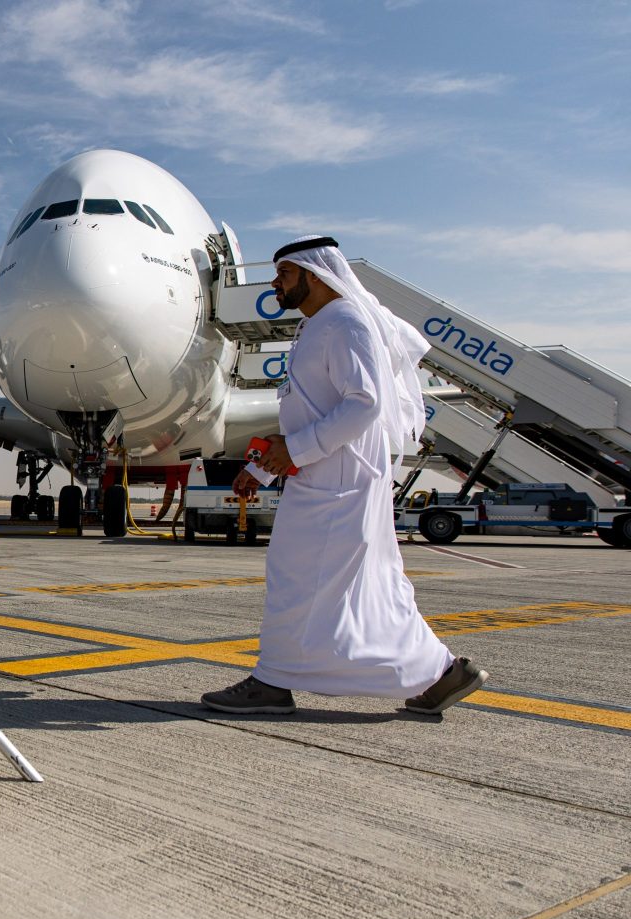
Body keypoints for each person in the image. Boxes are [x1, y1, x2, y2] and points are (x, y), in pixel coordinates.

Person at [201, 235, 488, 715]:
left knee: (298, 581)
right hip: (327, 477)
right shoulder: (320, 326)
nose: (275, 284)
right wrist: (261, 467)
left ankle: (272, 683)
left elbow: (364, 405)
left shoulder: (346, 323)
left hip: (336, 484)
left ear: (315, 275)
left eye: (284, 274)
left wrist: (294, 450)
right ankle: (443, 673)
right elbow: (313, 412)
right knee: (371, 586)